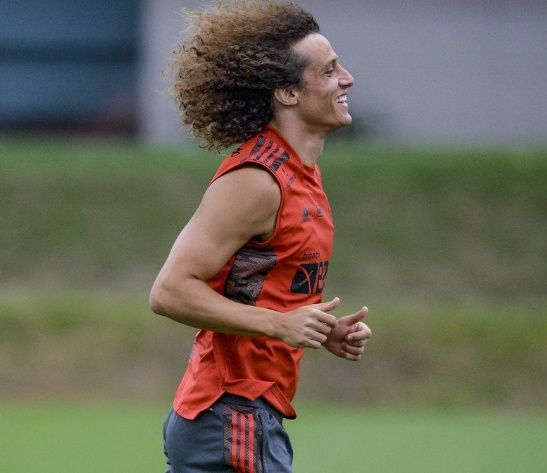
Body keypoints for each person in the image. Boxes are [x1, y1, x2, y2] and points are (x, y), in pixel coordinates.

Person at [148, 1, 372, 472]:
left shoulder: (300, 174)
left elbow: (254, 286)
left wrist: (317, 328)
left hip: (240, 414)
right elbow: (169, 291)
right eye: (329, 71)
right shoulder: (256, 180)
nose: (347, 79)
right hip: (231, 413)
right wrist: (279, 325)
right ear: (287, 93)